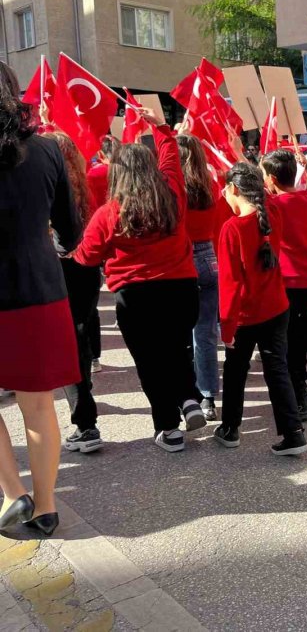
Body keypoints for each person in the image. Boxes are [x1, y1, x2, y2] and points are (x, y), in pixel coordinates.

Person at [74, 108, 206, 453]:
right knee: (177, 348)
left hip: (136, 296)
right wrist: (159, 126)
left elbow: (86, 256)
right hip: (181, 288)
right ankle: (189, 397)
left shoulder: (109, 213)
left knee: (150, 363)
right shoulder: (173, 194)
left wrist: (68, 252)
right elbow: (171, 157)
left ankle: (169, 428)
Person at [0, 61, 81, 540]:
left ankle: (13, 493)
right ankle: (46, 508)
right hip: (39, 288)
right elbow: (70, 227)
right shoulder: (49, 149)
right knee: (39, 406)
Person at [215, 163, 307, 455]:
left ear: (234, 189)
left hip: (246, 315)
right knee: (277, 369)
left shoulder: (232, 228)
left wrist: (226, 327)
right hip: (276, 306)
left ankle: (230, 428)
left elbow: (229, 284)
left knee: (235, 371)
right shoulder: (272, 213)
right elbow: (267, 195)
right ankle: (293, 433)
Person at [43, 132, 104, 453]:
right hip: (87, 266)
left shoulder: (49, 187)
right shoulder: (88, 185)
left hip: (61, 267)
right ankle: (85, 402)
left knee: (68, 343)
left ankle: (85, 424)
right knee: (80, 332)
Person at [263, 149, 307, 423]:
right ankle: (299, 387)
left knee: (289, 342)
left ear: (272, 178)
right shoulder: (306, 201)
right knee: (297, 336)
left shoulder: (275, 205)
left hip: (288, 280)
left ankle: (297, 395)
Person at [177, 134, 220, 422]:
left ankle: (187, 395)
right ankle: (208, 397)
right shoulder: (211, 185)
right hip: (208, 256)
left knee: (179, 334)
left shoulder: (173, 188)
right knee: (205, 334)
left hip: (181, 257)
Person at [85, 136, 119, 374]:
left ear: (101, 154)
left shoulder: (93, 174)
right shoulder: (128, 173)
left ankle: (92, 357)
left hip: (96, 229)